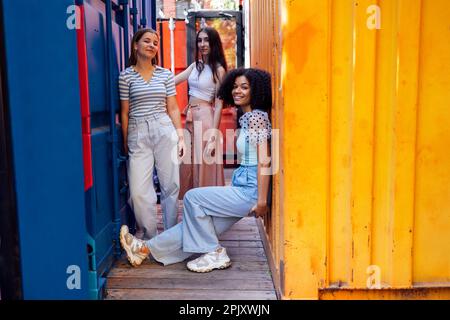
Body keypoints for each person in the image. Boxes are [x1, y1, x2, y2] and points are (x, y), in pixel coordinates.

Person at [119, 68, 273, 273]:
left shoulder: (256, 118)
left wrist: (261, 201)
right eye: (235, 86)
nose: (237, 91)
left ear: (257, 91)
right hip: (243, 185)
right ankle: (143, 249)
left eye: (245, 87)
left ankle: (216, 252)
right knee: (194, 228)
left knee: (193, 198)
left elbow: (264, 161)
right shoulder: (248, 117)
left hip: (249, 191)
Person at [118, 28, 186, 240]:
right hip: (138, 132)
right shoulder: (126, 76)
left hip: (164, 129)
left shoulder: (165, 74)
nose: (151, 45)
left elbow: (173, 108)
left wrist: (181, 136)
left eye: (155, 43)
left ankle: (171, 235)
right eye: (147, 41)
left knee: (171, 185)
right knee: (138, 192)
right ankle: (150, 236)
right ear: (135, 45)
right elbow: (125, 112)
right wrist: (125, 142)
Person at [174, 27, 228, 199]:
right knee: (187, 163)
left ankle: (207, 205)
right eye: (200, 40)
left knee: (203, 164)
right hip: (190, 118)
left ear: (214, 44)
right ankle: (192, 204)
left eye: (207, 40)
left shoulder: (218, 70)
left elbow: (219, 106)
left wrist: (213, 136)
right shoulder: (194, 66)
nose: (203, 44)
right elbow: (171, 82)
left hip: (205, 118)